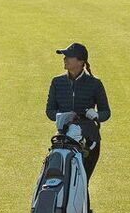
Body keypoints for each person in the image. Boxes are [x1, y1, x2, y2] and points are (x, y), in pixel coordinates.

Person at [46, 40, 109, 179]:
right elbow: (50, 111)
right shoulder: (57, 82)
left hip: (89, 139)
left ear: (80, 62)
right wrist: (64, 115)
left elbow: (106, 112)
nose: (65, 59)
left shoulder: (95, 84)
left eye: (69, 56)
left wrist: (96, 115)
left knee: (82, 183)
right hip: (64, 137)